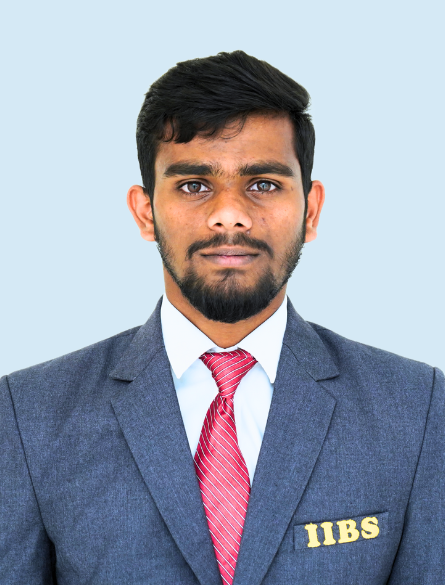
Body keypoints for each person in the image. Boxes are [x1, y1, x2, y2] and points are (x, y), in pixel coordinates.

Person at [0, 51, 443, 585]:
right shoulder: (27, 415)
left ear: (310, 210)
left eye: (263, 184)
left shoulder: (417, 408)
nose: (229, 214)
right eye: (194, 184)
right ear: (145, 211)